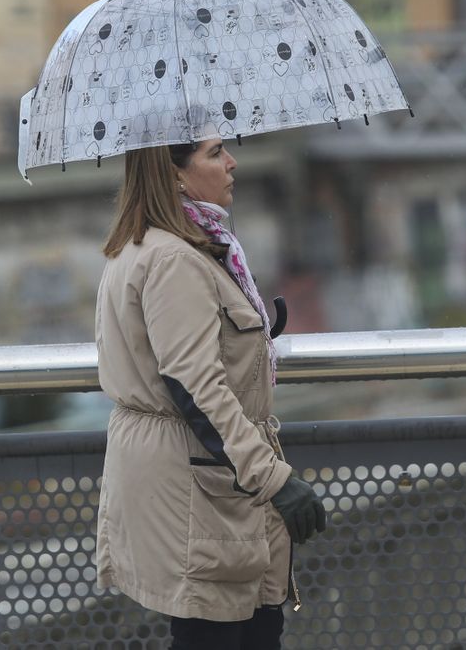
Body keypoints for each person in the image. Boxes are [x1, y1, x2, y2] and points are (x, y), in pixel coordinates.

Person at [95, 137, 326, 649]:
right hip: (199, 486)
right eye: (215, 152)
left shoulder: (156, 246)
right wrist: (273, 480)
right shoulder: (176, 260)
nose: (231, 162)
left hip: (203, 479)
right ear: (174, 172)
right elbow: (195, 387)